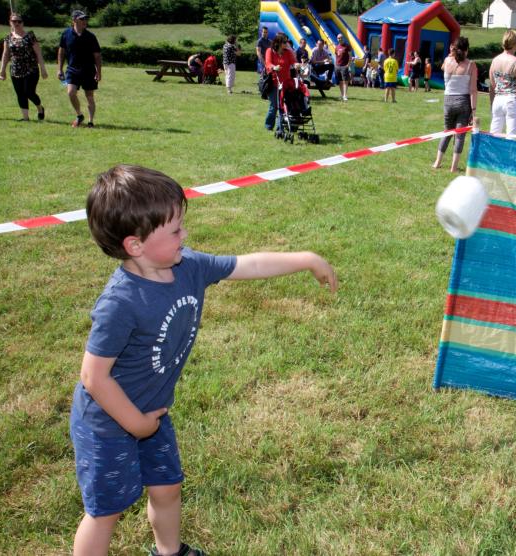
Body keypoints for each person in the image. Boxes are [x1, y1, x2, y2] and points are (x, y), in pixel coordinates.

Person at [71, 164, 337, 556]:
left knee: (167, 487)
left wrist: (306, 258)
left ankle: (170, 552)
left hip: (152, 414)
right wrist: (136, 423)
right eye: (175, 230)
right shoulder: (120, 303)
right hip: (108, 423)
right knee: (106, 511)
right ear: (135, 245)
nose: (185, 235)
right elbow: (94, 376)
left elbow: (249, 264)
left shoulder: (189, 267)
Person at [432, 37, 478, 172]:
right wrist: (474, 111)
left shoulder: (447, 61)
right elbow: (473, 90)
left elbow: (442, 67)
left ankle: (437, 162)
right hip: (463, 102)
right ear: (466, 50)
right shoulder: (471, 65)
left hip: (448, 101)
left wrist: (451, 54)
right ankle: (453, 167)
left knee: (447, 131)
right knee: (459, 135)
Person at [0, 12, 48, 121]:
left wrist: (43, 69)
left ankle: (40, 108)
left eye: (19, 21)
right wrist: (2, 69)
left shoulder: (30, 36)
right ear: (10, 23)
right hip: (15, 69)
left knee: (29, 92)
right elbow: (6, 54)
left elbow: (38, 53)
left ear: (22, 23)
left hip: (31, 69)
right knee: (20, 93)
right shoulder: (8, 38)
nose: (16, 23)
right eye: (14, 21)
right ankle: (25, 118)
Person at [57, 10, 102, 128]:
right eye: (82, 19)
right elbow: (61, 52)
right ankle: (79, 115)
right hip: (72, 69)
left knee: (90, 97)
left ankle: (91, 121)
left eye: (85, 19)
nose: (85, 21)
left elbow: (97, 55)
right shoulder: (66, 34)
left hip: (88, 70)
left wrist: (99, 72)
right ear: (74, 20)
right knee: (71, 93)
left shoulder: (91, 36)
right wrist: (59, 69)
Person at [265, 34, 297, 132]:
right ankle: (269, 126)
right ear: (278, 42)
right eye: (284, 42)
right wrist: (274, 67)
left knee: (283, 106)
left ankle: (280, 128)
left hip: (285, 83)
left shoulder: (288, 53)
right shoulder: (270, 51)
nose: (286, 44)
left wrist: (297, 65)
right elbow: (268, 63)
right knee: (274, 106)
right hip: (273, 82)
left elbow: (293, 62)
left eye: (286, 42)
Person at [334, 34, 352, 101]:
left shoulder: (347, 46)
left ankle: (345, 95)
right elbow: (336, 56)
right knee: (340, 81)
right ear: (337, 39)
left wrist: (348, 65)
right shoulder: (337, 47)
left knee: (345, 81)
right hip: (337, 66)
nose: (339, 39)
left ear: (343, 38)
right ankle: (341, 95)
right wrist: (336, 64)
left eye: (341, 38)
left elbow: (350, 56)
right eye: (338, 38)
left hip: (344, 66)